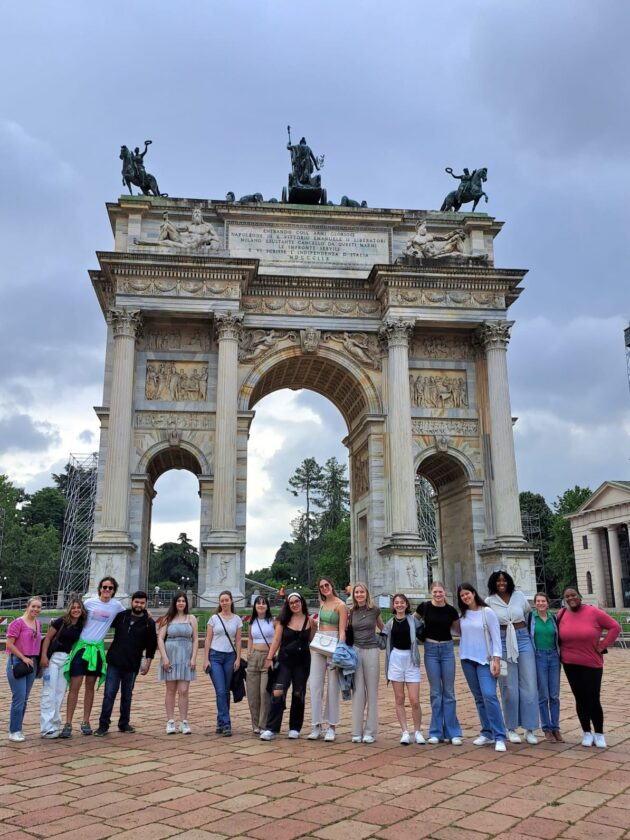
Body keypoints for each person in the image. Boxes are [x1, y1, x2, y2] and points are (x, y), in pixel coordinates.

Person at [60, 576, 125, 738]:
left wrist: (147, 613)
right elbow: (74, 616)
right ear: (99, 589)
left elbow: (128, 615)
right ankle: (68, 723)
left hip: (97, 650)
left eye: (110, 588)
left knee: (90, 687)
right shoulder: (89, 603)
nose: (107, 590)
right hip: (82, 647)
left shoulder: (116, 605)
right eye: (104, 587)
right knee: (75, 686)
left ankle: (86, 721)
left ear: (114, 590)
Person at [558, 587, 620, 748]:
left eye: (573, 595)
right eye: (567, 596)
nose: (571, 598)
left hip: (591, 662)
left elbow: (615, 627)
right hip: (570, 663)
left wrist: (603, 645)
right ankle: (586, 731)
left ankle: (599, 733)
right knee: (579, 698)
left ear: (580, 596)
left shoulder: (594, 612)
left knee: (593, 698)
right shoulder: (562, 614)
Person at [485, 570, 539, 745]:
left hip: (522, 639)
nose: (502, 583)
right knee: (508, 686)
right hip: (501, 642)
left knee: (529, 684)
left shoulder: (519, 596)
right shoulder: (489, 601)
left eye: (504, 580)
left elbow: (529, 614)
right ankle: (511, 727)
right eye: (498, 581)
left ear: (509, 582)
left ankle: (530, 728)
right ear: (494, 583)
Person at [94, 591, 157, 737]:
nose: (139, 605)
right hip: (115, 661)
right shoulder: (121, 616)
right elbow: (101, 619)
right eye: (136, 602)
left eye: (142, 603)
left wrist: (148, 662)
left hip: (132, 663)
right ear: (132, 602)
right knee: (109, 693)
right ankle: (103, 725)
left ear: (146, 604)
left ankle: (124, 723)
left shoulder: (149, 623)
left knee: (127, 695)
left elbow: (151, 645)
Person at [457, 583, 507, 752]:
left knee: (489, 695)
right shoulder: (462, 616)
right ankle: (487, 732)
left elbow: (496, 638)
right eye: (462, 595)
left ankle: (500, 735)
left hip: (485, 660)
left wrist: (497, 660)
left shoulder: (487, 612)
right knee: (479, 697)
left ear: (473, 593)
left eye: (467, 594)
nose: (465, 597)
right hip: (467, 659)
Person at [260, 592, 314, 740]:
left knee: (298, 692)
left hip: (302, 662)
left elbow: (311, 640)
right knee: (278, 691)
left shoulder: (310, 621)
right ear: (288, 606)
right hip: (285, 660)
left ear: (302, 602)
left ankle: (295, 727)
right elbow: (276, 640)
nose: (295, 604)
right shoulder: (283, 621)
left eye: (297, 601)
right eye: (291, 603)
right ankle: (272, 728)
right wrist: (270, 657)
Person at [416, 581, 463, 745]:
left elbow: (458, 630)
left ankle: (453, 731)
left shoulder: (451, 610)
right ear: (431, 592)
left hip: (447, 649)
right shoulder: (424, 607)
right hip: (430, 650)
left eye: (440, 592)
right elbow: (412, 622)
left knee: (449, 692)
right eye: (435, 592)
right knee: (436, 692)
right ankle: (436, 732)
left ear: (444, 592)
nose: (437, 594)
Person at [40, 598, 86, 739]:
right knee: (49, 691)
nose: (76, 610)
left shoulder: (81, 624)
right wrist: (44, 656)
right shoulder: (61, 621)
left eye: (78, 607)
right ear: (69, 609)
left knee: (60, 692)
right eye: (73, 607)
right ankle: (46, 727)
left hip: (67, 659)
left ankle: (55, 725)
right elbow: (47, 638)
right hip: (53, 658)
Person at [308, 576, 347, 742]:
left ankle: (331, 726)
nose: (324, 588)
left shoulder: (341, 605)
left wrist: (340, 650)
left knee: (333, 687)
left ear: (332, 585)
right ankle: (316, 724)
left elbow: (342, 630)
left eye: (327, 585)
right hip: (319, 643)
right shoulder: (322, 604)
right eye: (322, 586)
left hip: (334, 643)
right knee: (314, 684)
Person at [383, 593, 425, 745]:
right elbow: (383, 641)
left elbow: (424, 633)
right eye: (396, 603)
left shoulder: (413, 621)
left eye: (402, 602)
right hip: (396, 659)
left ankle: (418, 731)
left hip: (411, 659)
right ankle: (405, 731)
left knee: (414, 700)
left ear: (407, 605)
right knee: (399, 698)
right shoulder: (390, 623)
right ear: (393, 606)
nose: (399, 605)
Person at [157, 592, 198, 735]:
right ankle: (170, 721)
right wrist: (164, 658)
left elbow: (196, 640)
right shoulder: (167, 619)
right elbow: (160, 639)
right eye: (178, 601)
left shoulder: (191, 618)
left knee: (184, 690)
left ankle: (184, 721)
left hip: (186, 656)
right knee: (170, 690)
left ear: (186, 603)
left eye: (183, 601)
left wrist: (193, 658)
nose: (181, 603)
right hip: (171, 655)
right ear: (174, 603)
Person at [204, 590, 242, 737]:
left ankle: (220, 721)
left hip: (230, 657)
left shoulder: (237, 619)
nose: (224, 603)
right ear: (219, 603)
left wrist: (238, 658)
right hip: (215, 656)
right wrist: (206, 658)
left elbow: (238, 641)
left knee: (225, 691)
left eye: (227, 600)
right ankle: (226, 723)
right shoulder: (213, 619)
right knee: (220, 690)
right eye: (222, 600)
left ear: (231, 601)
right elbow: (208, 639)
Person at [349, 582, 383, 744]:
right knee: (357, 690)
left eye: (362, 592)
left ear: (366, 594)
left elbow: (383, 628)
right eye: (357, 593)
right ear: (354, 595)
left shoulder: (375, 610)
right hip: (355, 651)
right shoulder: (351, 612)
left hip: (371, 651)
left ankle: (370, 731)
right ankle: (356, 730)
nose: (359, 595)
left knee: (372, 690)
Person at [5, 596, 42, 742]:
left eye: (39, 607)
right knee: (18, 697)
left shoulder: (38, 624)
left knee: (25, 698)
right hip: (18, 662)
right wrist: (23, 657)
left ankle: (19, 728)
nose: (36, 609)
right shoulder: (17, 623)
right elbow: (9, 644)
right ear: (27, 607)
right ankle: (14, 730)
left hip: (31, 663)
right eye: (33, 606)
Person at [528, 592, 562, 742]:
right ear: (535, 603)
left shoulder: (553, 618)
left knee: (554, 695)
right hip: (539, 657)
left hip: (554, 656)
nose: (541, 603)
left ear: (548, 603)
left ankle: (555, 727)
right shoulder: (531, 618)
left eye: (543, 601)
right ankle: (546, 728)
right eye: (538, 601)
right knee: (543, 695)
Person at [246, 596, 275, 735]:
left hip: (267, 657)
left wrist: (273, 655)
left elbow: (277, 639)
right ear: (255, 606)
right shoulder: (252, 622)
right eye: (258, 603)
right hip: (254, 657)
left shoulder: (273, 622)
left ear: (268, 606)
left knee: (265, 692)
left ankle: (264, 724)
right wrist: (249, 653)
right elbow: (250, 638)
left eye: (264, 603)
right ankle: (255, 724)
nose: (261, 605)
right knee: (252, 694)